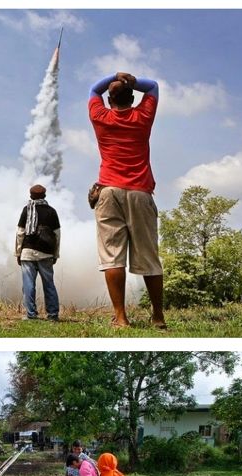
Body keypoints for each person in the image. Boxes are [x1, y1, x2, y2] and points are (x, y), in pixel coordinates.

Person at [88, 72, 166, 329]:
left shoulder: (100, 117)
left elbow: (93, 90)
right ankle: (157, 317)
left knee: (113, 257)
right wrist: (131, 81)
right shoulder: (142, 117)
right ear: (133, 99)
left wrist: (113, 76)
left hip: (108, 191)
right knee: (149, 257)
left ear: (110, 101)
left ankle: (121, 318)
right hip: (140, 192)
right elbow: (153, 86)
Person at [16, 184, 61, 321]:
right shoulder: (51, 212)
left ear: (31, 196)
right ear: (45, 196)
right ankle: (52, 315)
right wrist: (55, 254)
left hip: (28, 252)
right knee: (49, 284)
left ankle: (31, 315)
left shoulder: (26, 210)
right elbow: (57, 235)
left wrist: (18, 253)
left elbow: (20, 233)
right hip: (46, 253)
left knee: (28, 284)